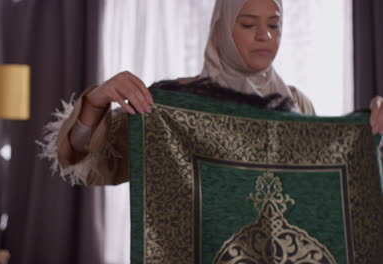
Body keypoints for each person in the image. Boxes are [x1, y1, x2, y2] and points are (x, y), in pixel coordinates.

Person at [41, 0, 383, 186]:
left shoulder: (295, 104)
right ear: (221, 27)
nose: (264, 35)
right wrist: (96, 102)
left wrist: (369, 136)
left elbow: (322, 191)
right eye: (248, 24)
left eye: (274, 24)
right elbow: (85, 159)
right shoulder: (175, 106)